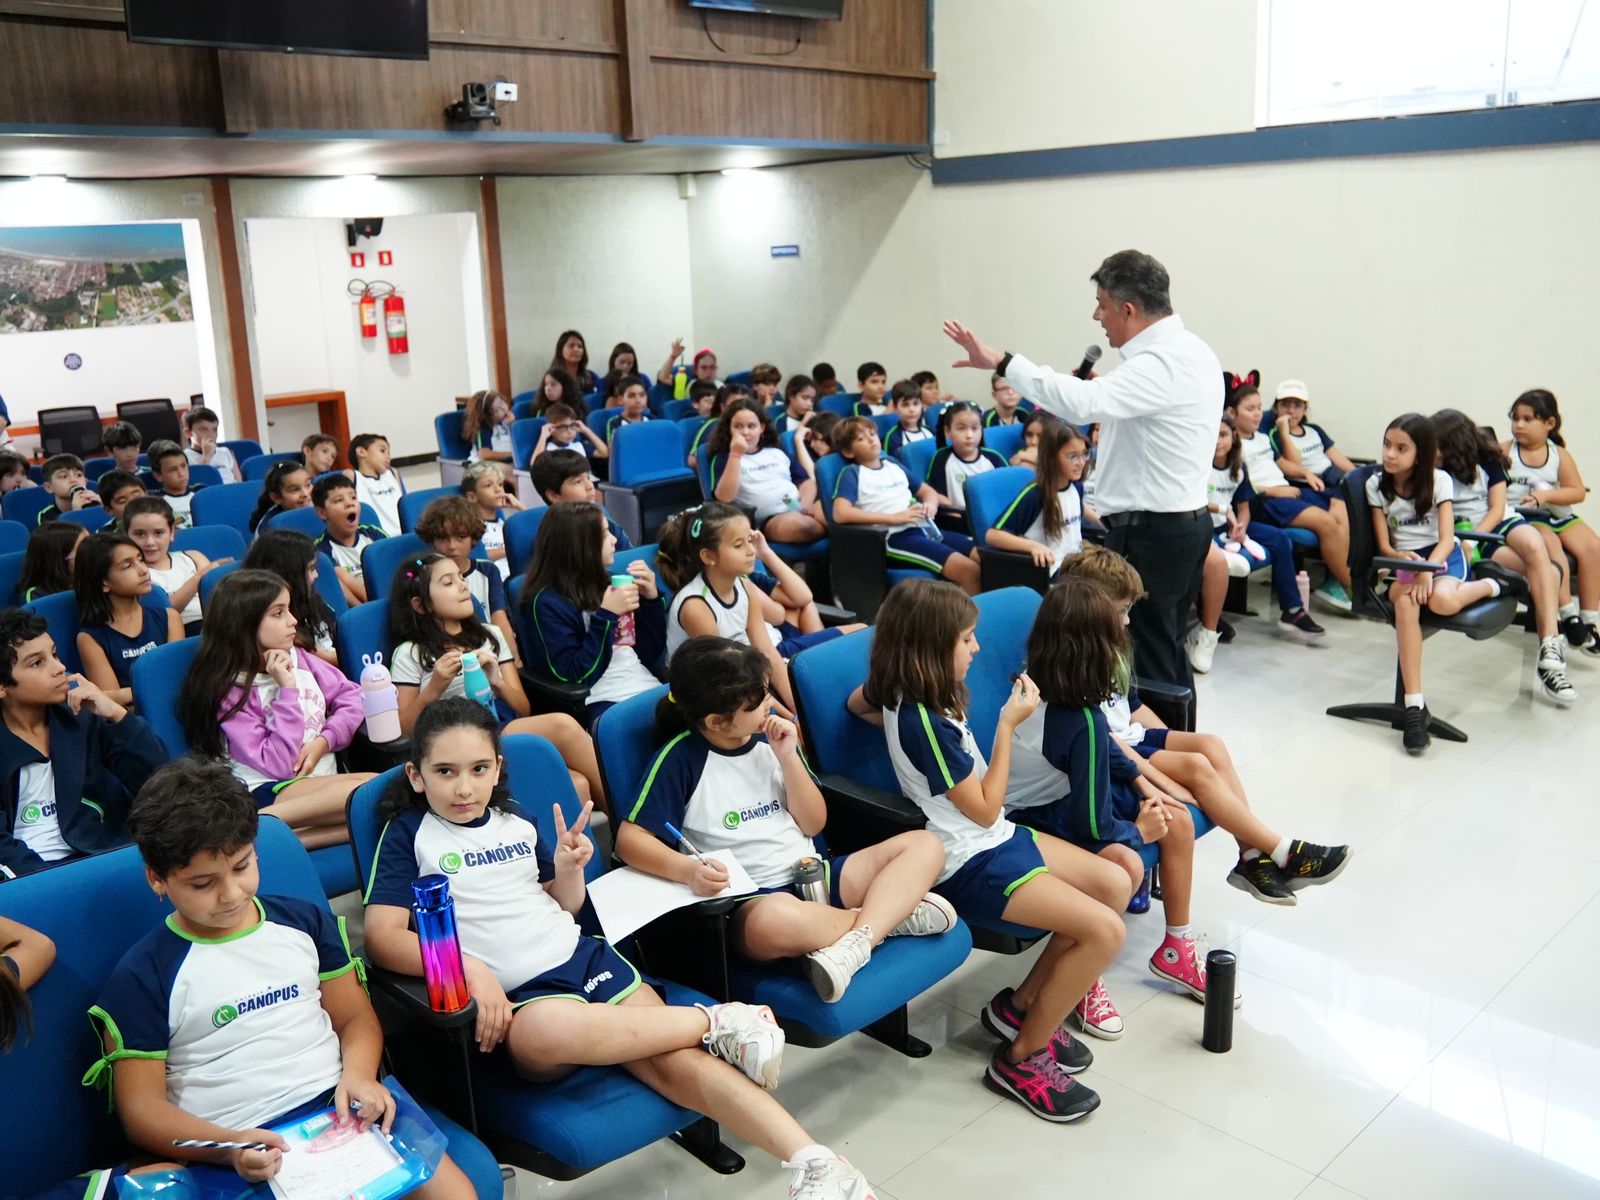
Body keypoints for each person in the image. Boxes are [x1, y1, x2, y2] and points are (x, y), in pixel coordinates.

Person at [362, 698, 876, 1199]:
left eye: (478, 769)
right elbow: (383, 939)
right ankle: (718, 1020)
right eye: (445, 772)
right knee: (539, 1033)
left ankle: (817, 1163)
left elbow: (562, 906)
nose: (464, 787)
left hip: (580, 958)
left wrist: (568, 870)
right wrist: (471, 970)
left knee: (668, 1056)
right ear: (416, 776)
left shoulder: (515, 820)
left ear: (497, 768)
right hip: (520, 997)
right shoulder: (410, 834)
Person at [87, 759, 474, 1195]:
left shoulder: (303, 923)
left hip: (338, 1105)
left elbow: (354, 1019)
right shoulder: (143, 975)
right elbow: (142, 1112)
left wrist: (360, 1075)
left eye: (241, 866)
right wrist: (228, 1147)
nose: (230, 894)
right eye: (202, 884)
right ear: (157, 879)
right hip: (236, 1144)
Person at [846, 579, 1129, 1123]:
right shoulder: (923, 722)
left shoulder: (905, 691)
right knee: (1105, 931)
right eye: (966, 639)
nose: (977, 648)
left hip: (994, 837)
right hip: (967, 860)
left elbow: (857, 703)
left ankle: (1020, 1008)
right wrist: (1006, 725)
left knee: (1114, 883)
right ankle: (1020, 1059)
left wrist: (885, 713)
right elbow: (983, 808)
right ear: (930, 649)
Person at [944, 249, 1223, 688]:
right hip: (1176, 526)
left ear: (1127, 309)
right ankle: (1170, 729)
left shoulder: (1161, 362)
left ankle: (1157, 731)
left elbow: (1079, 404)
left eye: (1102, 304)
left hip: (1152, 533)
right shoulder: (1192, 350)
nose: (1097, 316)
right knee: (1164, 649)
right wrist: (1105, 392)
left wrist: (1001, 361)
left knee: (1145, 656)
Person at [619, 637, 953, 1002]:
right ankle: (889, 917)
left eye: (765, 692)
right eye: (757, 701)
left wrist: (789, 758)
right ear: (717, 721)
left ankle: (856, 938)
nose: (769, 703)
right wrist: (687, 871)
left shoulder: (771, 741)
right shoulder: (680, 759)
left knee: (926, 845)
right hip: (755, 902)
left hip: (816, 876)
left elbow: (813, 824)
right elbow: (629, 839)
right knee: (776, 922)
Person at [1000, 576, 1244, 1021]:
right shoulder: (1077, 719)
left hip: (1058, 800)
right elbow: (1091, 825)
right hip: (1031, 817)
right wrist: (1139, 831)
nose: (1125, 632)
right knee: (1124, 863)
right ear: (1093, 649)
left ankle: (1176, 947)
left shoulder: (1057, 690)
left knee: (1176, 818)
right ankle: (1079, 979)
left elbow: (1109, 754)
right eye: (1115, 631)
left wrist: (1147, 783)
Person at [386, 551, 606, 812]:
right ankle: (629, 818)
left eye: (461, 577)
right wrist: (435, 687)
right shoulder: (410, 653)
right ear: (420, 605)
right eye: (448, 582)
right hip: (451, 744)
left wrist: (496, 682)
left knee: (578, 783)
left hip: (498, 729)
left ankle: (618, 823)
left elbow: (523, 708)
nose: (463, 586)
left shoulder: (490, 636)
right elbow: (403, 730)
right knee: (563, 729)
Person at [177, 569, 369, 847]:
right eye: (278, 613)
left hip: (317, 779)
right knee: (375, 793)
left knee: (380, 799)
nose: (293, 621)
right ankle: (256, 822)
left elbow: (352, 696)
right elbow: (280, 765)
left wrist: (325, 741)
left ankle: (270, 838)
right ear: (244, 624)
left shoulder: (300, 658)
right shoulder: (230, 690)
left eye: (288, 609)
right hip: (268, 789)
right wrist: (286, 689)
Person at [1370, 414, 1508, 753]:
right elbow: (1385, 546)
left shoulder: (1440, 480)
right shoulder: (1375, 485)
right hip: (1405, 561)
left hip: (1442, 556)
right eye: (1387, 445)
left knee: (1442, 601)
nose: (1390, 454)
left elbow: (1447, 538)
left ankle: (1494, 585)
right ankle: (1414, 707)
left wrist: (1428, 570)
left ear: (1421, 453)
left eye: (1401, 448)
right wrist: (1403, 561)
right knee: (1406, 602)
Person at [0, 607, 165, 878]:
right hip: (31, 877)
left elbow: (159, 781)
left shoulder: (80, 716)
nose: (60, 668)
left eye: (54, 654)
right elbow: (3, 849)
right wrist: (46, 883)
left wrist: (116, 714)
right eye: (37, 663)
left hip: (100, 857)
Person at [1433, 407, 1574, 705]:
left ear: (1454, 444)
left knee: (1534, 545)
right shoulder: (1435, 472)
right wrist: (1467, 542)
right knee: (1548, 572)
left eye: (1438, 445)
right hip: (1474, 538)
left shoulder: (1488, 461)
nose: (1433, 452)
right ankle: (1551, 667)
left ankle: (1550, 644)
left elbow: (1497, 509)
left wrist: (1473, 539)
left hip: (1499, 524)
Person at [521, 502, 665, 727]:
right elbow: (575, 675)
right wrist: (606, 616)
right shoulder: (545, 602)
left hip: (642, 682)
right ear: (581, 544)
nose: (614, 540)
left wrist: (651, 601)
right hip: (599, 698)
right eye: (605, 533)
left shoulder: (607, 582)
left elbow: (647, 653)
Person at [1200, 412, 1325, 661]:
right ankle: (1208, 617)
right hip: (1205, 528)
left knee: (1279, 540)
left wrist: (1241, 527)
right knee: (1207, 557)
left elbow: (1244, 508)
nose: (1218, 442)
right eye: (1213, 435)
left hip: (1229, 526)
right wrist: (1225, 513)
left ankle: (1292, 609)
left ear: (1233, 438)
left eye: (1223, 435)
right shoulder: (1200, 466)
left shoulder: (1238, 466)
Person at [657, 503, 797, 712]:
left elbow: (767, 652)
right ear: (708, 556)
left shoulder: (745, 587)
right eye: (739, 545)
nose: (751, 551)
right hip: (711, 691)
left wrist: (798, 711)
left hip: (743, 677)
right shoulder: (696, 606)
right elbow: (727, 673)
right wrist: (788, 717)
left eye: (749, 541)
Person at [1229, 382, 1354, 615]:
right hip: (1266, 501)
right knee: (1326, 522)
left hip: (1286, 492)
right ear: (1232, 413)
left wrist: (1305, 473)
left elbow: (1282, 463)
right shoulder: (1232, 443)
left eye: (1259, 408)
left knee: (1341, 505)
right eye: (1250, 409)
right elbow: (1239, 486)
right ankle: (1353, 589)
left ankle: (1341, 581)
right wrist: (1274, 491)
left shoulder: (1261, 437)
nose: (1257, 414)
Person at [831, 416, 980, 595]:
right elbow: (840, 513)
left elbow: (927, 491)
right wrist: (893, 518)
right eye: (861, 439)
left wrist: (930, 505)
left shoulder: (892, 464)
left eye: (872, 434)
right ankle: (973, 614)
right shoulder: (852, 473)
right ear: (849, 452)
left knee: (985, 556)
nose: (871, 440)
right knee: (969, 571)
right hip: (895, 538)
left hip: (926, 528)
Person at [1503, 388, 1600, 656]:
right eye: (1515, 418)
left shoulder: (1558, 454)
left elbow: (1577, 491)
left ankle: (1589, 621)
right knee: (1550, 545)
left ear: (1549, 423)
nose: (1518, 425)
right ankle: (1568, 615)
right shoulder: (1505, 452)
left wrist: (1545, 496)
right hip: (1526, 518)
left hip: (1556, 513)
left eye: (1527, 419)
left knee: (1593, 547)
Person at [74, 533, 182, 709]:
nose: (143, 570)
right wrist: (154, 689)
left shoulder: (170, 617)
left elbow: (178, 678)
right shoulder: (90, 638)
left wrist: (128, 693)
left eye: (140, 560)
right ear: (103, 583)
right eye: (128, 566)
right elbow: (109, 701)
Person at [415, 496, 521, 666]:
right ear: (432, 540)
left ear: (473, 538)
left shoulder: (488, 571)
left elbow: (499, 619)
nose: (452, 546)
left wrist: (515, 661)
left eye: (461, 537)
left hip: (491, 651)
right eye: (443, 538)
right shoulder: (425, 577)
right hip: (450, 657)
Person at [985, 418, 1095, 576]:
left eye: (1084, 454)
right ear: (1052, 458)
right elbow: (993, 535)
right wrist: (1033, 546)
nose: (1081, 462)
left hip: (1074, 564)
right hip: (1051, 571)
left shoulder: (1076, 486)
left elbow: (1074, 512)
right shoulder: (1036, 495)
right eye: (1072, 456)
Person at [708, 399, 824, 546]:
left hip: (797, 504)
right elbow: (724, 498)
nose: (745, 432)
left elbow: (806, 481)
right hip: (770, 518)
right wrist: (735, 454)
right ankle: (832, 532)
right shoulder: (724, 458)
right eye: (738, 426)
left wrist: (805, 505)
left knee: (831, 513)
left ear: (761, 427)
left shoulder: (776, 451)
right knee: (802, 526)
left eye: (751, 426)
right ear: (729, 429)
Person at [124, 496, 229, 636]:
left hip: (218, 621)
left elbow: (220, 598)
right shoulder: (134, 573)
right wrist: (199, 578)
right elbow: (165, 613)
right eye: (140, 534)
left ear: (171, 532)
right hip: (185, 629)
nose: (150, 542)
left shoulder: (193, 557)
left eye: (158, 533)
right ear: (126, 535)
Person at [243, 529, 340, 665]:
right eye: (311, 569)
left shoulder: (311, 600)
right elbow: (327, 660)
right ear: (290, 574)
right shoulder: (280, 626)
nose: (316, 575)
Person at [529, 452, 633, 549]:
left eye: (588, 478)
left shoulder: (606, 521)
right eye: (578, 481)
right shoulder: (554, 538)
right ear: (553, 495)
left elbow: (628, 554)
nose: (590, 486)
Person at [313, 474, 386, 607]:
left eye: (353, 497)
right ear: (322, 513)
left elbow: (390, 565)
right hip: (363, 605)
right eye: (338, 500)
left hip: (385, 594)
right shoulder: (321, 549)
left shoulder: (373, 533)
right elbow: (343, 582)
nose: (349, 503)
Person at [1270, 380, 1354, 489]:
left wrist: (1358, 477)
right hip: (1310, 485)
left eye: (1297, 405)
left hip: (1334, 477)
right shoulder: (1275, 436)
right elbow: (1295, 466)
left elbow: (1338, 458)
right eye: (1285, 405)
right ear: (1276, 408)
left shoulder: (1314, 429)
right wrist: (1284, 434)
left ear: (1305, 409)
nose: (1291, 411)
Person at [927, 401, 1008, 509]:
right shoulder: (941, 459)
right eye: (961, 428)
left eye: (975, 428)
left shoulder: (994, 458)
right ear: (948, 432)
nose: (969, 435)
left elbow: (1006, 489)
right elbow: (935, 493)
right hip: (956, 516)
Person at [462, 461, 522, 580]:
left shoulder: (506, 524)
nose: (498, 490)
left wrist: (520, 507)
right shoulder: (469, 527)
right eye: (488, 485)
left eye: (500, 484)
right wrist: (511, 549)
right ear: (472, 496)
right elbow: (476, 557)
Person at [349, 433, 404, 538]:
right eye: (382, 451)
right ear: (361, 451)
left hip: (404, 535)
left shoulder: (393, 473)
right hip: (376, 539)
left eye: (389, 453)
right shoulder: (352, 476)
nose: (388, 457)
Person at [16, 522, 86, 604]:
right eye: (83, 553)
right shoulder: (38, 598)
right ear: (59, 561)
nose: (91, 556)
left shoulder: (89, 582)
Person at [143, 440, 201, 530]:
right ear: (158, 476)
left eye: (183, 466)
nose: (181, 474)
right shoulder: (154, 503)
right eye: (173, 470)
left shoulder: (201, 492)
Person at [531, 401, 607, 465]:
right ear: (551, 429)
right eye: (563, 427)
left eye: (572, 426)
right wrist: (543, 436)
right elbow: (535, 465)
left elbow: (604, 453)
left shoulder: (579, 446)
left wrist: (586, 430)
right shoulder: (548, 450)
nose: (570, 432)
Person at [248, 460, 312, 534]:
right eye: (295, 490)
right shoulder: (274, 529)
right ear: (276, 497)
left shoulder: (318, 509)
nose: (305, 494)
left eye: (308, 485)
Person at [182, 405, 242, 481]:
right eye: (204, 429)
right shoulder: (184, 457)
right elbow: (196, 483)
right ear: (188, 433)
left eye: (214, 429)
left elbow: (240, 482)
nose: (211, 435)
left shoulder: (225, 452)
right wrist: (206, 457)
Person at [36, 454, 100, 524]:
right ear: (49, 487)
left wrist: (104, 508)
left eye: (78, 475)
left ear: (85, 482)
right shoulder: (47, 515)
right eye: (64, 476)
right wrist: (76, 513)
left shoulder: (96, 504)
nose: (73, 480)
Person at [461, 389, 514, 463]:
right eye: (497, 410)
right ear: (487, 416)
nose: (504, 409)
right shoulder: (484, 430)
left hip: (507, 462)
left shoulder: (506, 421)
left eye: (501, 402)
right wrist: (512, 454)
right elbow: (484, 454)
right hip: (484, 464)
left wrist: (512, 425)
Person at [885, 379, 933, 455]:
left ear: (921, 404)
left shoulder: (930, 431)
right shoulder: (893, 437)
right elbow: (890, 461)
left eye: (916, 403)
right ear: (895, 407)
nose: (912, 409)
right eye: (905, 405)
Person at [94, 469, 147, 535]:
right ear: (109, 510)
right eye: (123, 501)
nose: (133, 504)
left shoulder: (160, 517)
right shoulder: (105, 535)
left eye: (137, 496)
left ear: (146, 494)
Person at [603, 378, 652, 447]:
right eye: (631, 396)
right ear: (621, 399)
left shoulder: (651, 420)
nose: (638, 400)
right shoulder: (614, 423)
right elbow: (613, 450)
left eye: (642, 395)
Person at [550, 329, 599, 394]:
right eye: (571, 346)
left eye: (580, 346)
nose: (576, 349)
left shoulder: (591, 377)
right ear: (560, 350)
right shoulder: (552, 379)